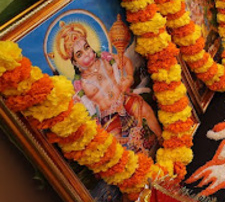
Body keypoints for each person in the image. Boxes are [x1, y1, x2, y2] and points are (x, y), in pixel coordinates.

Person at [59, 22, 162, 155]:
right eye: (79, 54)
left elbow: (125, 61)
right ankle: (140, 167)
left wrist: (129, 78)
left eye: (87, 47)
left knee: (145, 111)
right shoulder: (79, 84)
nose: (87, 54)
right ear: (74, 62)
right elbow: (80, 108)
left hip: (124, 100)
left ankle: (162, 140)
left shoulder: (105, 59)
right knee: (117, 146)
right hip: (108, 118)